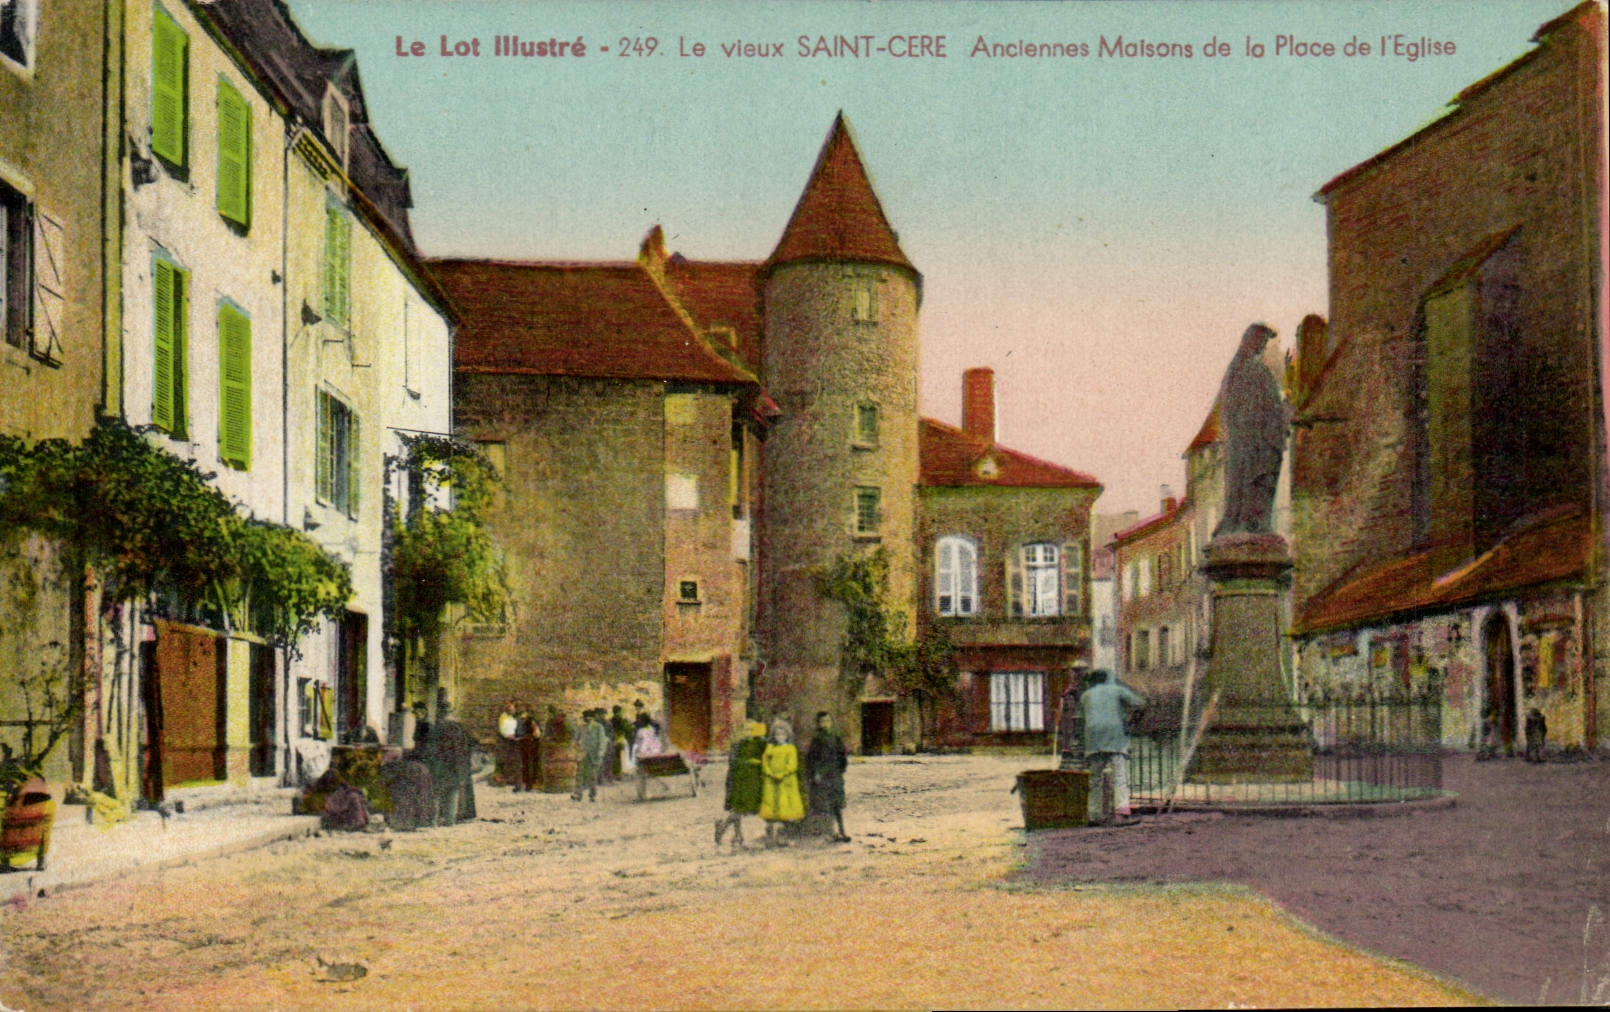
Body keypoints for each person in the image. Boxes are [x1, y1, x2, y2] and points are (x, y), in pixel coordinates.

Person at [1214, 323, 1288, 539]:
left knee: (1259, 483)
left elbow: (1266, 404)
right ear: (1249, 339)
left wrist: (1280, 414)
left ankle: (1255, 521)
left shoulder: (1250, 368)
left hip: (1259, 441)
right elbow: (1240, 410)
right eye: (1260, 341)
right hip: (1251, 443)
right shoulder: (1243, 369)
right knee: (1252, 482)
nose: (1262, 347)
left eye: (1264, 343)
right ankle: (1251, 522)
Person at [1079, 669, 1147, 826]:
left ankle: (1094, 814)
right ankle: (1121, 814)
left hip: (1093, 737)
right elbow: (1140, 704)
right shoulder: (1117, 690)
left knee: (1095, 778)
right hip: (1116, 735)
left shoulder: (1086, 695)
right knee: (1119, 776)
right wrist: (1132, 721)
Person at [715, 721, 768, 849]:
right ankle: (724, 828)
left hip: (752, 780)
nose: (749, 732)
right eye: (747, 729)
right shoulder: (738, 745)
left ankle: (736, 834)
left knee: (745, 807)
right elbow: (734, 762)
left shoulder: (758, 743)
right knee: (738, 808)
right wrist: (752, 762)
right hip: (738, 780)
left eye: (752, 729)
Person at [424, 701, 477, 826]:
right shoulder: (459, 728)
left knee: (436, 793)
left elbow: (431, 749)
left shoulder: (436, 728)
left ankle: (433, 821)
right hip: (456, 765)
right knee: (452, 792)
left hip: (441, 765)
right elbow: (471, 743)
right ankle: (450, 820)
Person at [759, 717, 805, 847]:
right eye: (777, 734)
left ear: (787, 735)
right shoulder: (770, 748)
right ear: (773, 735)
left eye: (783, 734)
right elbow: (765, 762)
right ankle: (773, 838)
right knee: (773, 810)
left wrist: (781, 774)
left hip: (786, 782)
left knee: (787, 810)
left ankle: (788, 837)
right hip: (772, 783)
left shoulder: (790, 748)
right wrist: (770, 773)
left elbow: (792, 765)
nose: (780, 736)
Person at [805, 711, 850, 842]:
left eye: (827, 721)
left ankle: (842, 831)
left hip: (834, 775)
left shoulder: (836, 737)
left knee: (837, 804)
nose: (825, 724)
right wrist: (816, 772)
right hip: (822, 775)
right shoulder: (817, 739)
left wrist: (841, 769)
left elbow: (842, 755)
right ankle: (829, 832)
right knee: (825, 805)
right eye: (822, 722)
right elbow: (812, 758)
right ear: (818, 724)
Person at [573, 709, 609, 802]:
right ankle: (578, 794)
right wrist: (578, 750)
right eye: (585, 717)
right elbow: (576, 740)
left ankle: (592, 795)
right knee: (580, 774)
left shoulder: (598, 727)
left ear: (592, 718)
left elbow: (602, 741)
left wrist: (600, 753)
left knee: (593, 776)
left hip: (595, 755)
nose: (587, 719)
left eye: (589, 717)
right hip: (584, 754)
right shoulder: (581, 727)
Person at [515, 701, 541, 791]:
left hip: (529, 744)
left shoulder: (530, 720)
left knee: (528, 764)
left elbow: (536, 733)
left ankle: (528, 784)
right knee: (528, 764)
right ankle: (528, 784)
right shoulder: (528, 720)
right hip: (528, 744)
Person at [497, 699, 521, 789]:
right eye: (512, 709)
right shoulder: (503, 718)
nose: (514, 711)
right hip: (507, 742)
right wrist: (511, 736)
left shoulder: (511, 718)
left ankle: (513, 780)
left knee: (514, 761)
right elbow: (503, 730)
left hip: (513, 740)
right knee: (508, 760)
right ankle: (508, 780)